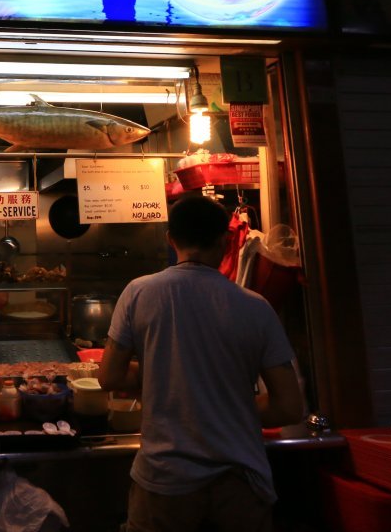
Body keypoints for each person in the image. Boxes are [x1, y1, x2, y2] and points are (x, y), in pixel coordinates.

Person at [98, 196, 304, 532]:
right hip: (241, 484)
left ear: (170, 239)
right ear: (224, 241)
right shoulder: (257, 307)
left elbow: (109, 377)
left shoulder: (139, 292)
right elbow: (288, 406)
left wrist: (168, 375)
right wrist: (223, 405)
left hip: (165, 481)